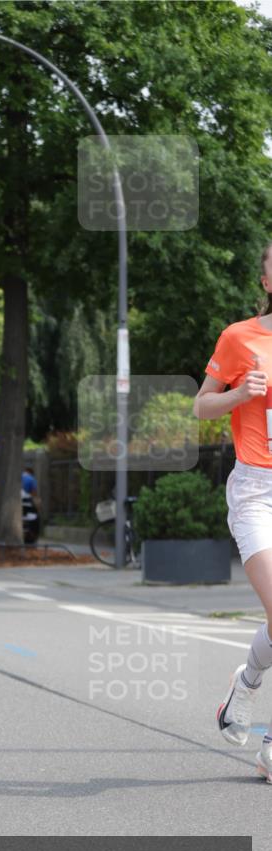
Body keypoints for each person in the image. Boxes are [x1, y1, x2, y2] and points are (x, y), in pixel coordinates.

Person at [193, 241, 272, 784]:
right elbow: (201, 405)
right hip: (257, 492)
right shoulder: (240, 337)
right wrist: (240, 392)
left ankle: (244, 685)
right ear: (266, 280)